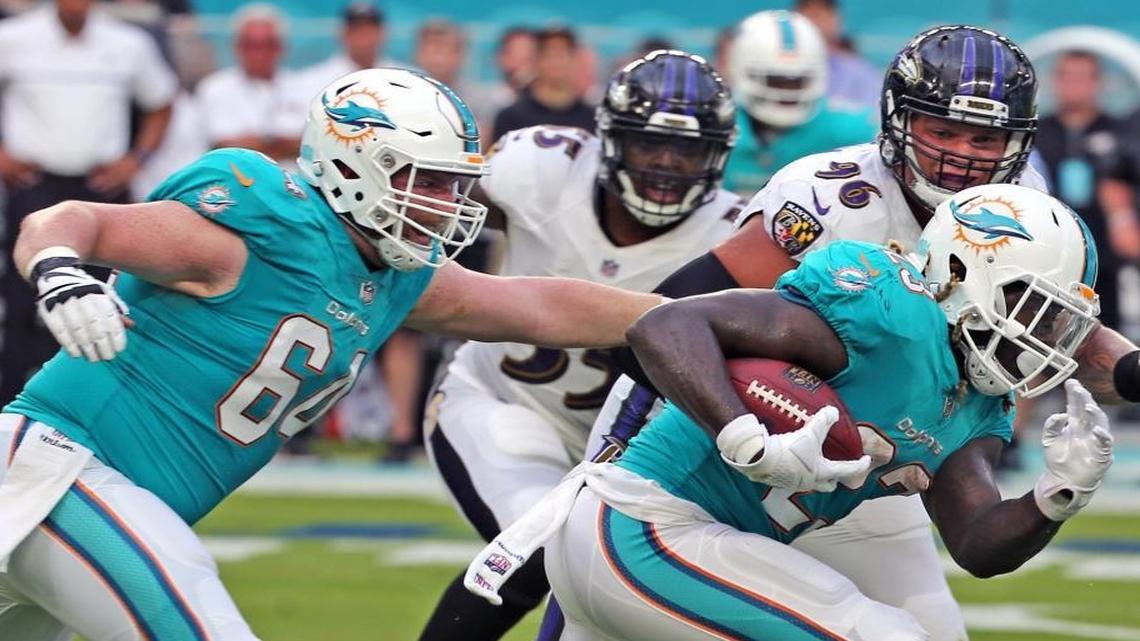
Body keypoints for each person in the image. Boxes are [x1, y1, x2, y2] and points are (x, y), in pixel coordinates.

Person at [0, 67, 664, 641]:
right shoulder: (261, 227)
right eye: (427, 181)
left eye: (452, 185)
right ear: (354, 165)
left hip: (85, 494)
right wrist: (59, 270)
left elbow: (536, 305)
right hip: (56, 467)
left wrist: (680, 317)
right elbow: (71, 220)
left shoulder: (394, 276)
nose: (445, 206)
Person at [533, 25, 1047, 641]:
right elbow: (671, 316)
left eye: (985, 137)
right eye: (943, 130)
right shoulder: (832, 200)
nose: (962, 154)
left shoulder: (1021, 208)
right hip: (727, 423)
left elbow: (1064, 328)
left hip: (868, 455)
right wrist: (746, 417)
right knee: (575, 570)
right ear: (900, 120)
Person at [468, 182, 1111, 641]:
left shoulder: (980, 403)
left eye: (1058, 322)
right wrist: (743, 438)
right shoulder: (886, 314)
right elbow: (665, 326)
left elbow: (976, 544)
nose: (1045, 337)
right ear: (963, 273)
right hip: (645, 526)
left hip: (688, 553)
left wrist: (1056, 496)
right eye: (1036, 309)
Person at [418, 50, 742, 641]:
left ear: (717, 157)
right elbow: (436, 209)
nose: (667, 164)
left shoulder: (735, 237)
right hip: (504, 402)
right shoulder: (540, 166)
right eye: (649, 143)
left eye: (687, 150)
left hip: (631, 454)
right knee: (540, 547)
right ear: (611, 138)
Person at [0, 0, 176, 405]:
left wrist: (136, 160)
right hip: (34, 185)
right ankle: (14, 403)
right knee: (22, 299)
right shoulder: (13, 38)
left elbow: (161, 102)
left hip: (100, 191)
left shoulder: (127, 43)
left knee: (104, 298)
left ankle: (90, 403)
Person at [1035, 49, 1140, 333]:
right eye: (1067, 77)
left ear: (1099, 82)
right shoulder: (1036, 133)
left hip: (1107, 255)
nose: (1074, 85)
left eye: (1083, 77)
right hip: (1050, 252)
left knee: (1107, 334)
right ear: (1055, 81)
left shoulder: (1123, 133)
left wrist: (1124, 221)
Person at [722, 10, 877, 195]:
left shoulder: (856, 130)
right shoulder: (718, 123)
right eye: (775, 81)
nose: (785, 93)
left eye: (797, 81)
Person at [195, 3, 307, 164]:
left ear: (281, 47)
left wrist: (258, 142)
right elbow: (222, 145)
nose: (259, 54)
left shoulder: (304, 86)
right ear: (236, 47)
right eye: (251, 45)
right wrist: (281, 143)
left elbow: (309, 145)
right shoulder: (214, 88)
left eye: (267, 45)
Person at [491, 26, 596, 143]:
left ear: (575, 60)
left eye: (562, 54)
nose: (556, 62)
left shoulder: (594, 119)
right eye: (548, 54)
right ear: (535, 60)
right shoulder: (511, 117)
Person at [794, 0, 881, 109]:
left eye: (823, 12)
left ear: (838, 20)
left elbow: (873, 113)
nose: (815, 19)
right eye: (807, 10)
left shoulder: (861, 73)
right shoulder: (780, 66)